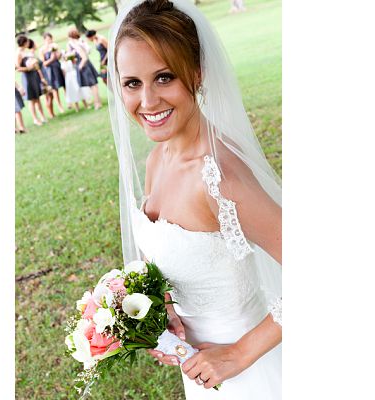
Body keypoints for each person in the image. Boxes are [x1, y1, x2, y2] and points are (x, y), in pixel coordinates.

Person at [107, 0, 282, 398]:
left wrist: (240, 353)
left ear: (198, 75)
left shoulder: (219, 178)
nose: (147, 102)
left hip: (250, 379)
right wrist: (164, 306)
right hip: (199, 371)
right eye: (132, 83)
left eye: (164, 77)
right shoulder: (157, 158)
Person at [67, 27, 102, 110]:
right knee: (93, 85)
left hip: (84, 66)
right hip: (87, 65)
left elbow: (84, 57)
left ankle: (97, 103)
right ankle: (98, 102)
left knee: (93, 85)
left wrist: (80, 66)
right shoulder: (81, 41)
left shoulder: (75, 44)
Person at [16, 35, 47, 126]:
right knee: (32, 99)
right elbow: (18, 68)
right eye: (27, 41)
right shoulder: (18, 53)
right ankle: (35, 119)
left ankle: (42, 116)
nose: (29, 43)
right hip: (27, 77)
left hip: (34, 75)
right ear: (24, 42)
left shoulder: (26, 52)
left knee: (37, 97)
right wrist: (28, 68)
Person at [39, 32, 66, 115]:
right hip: (50, 71)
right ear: (44, 40)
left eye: (50, 39)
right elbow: (44, 63)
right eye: (47, 39)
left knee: (65, 85)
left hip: (58, 67)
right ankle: (60, 106)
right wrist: (51, 59)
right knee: (55, 89)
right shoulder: (42, 50)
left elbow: (58, 57)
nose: (49, 41)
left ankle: (69, 102)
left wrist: (57, 53)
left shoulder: (54, 46)